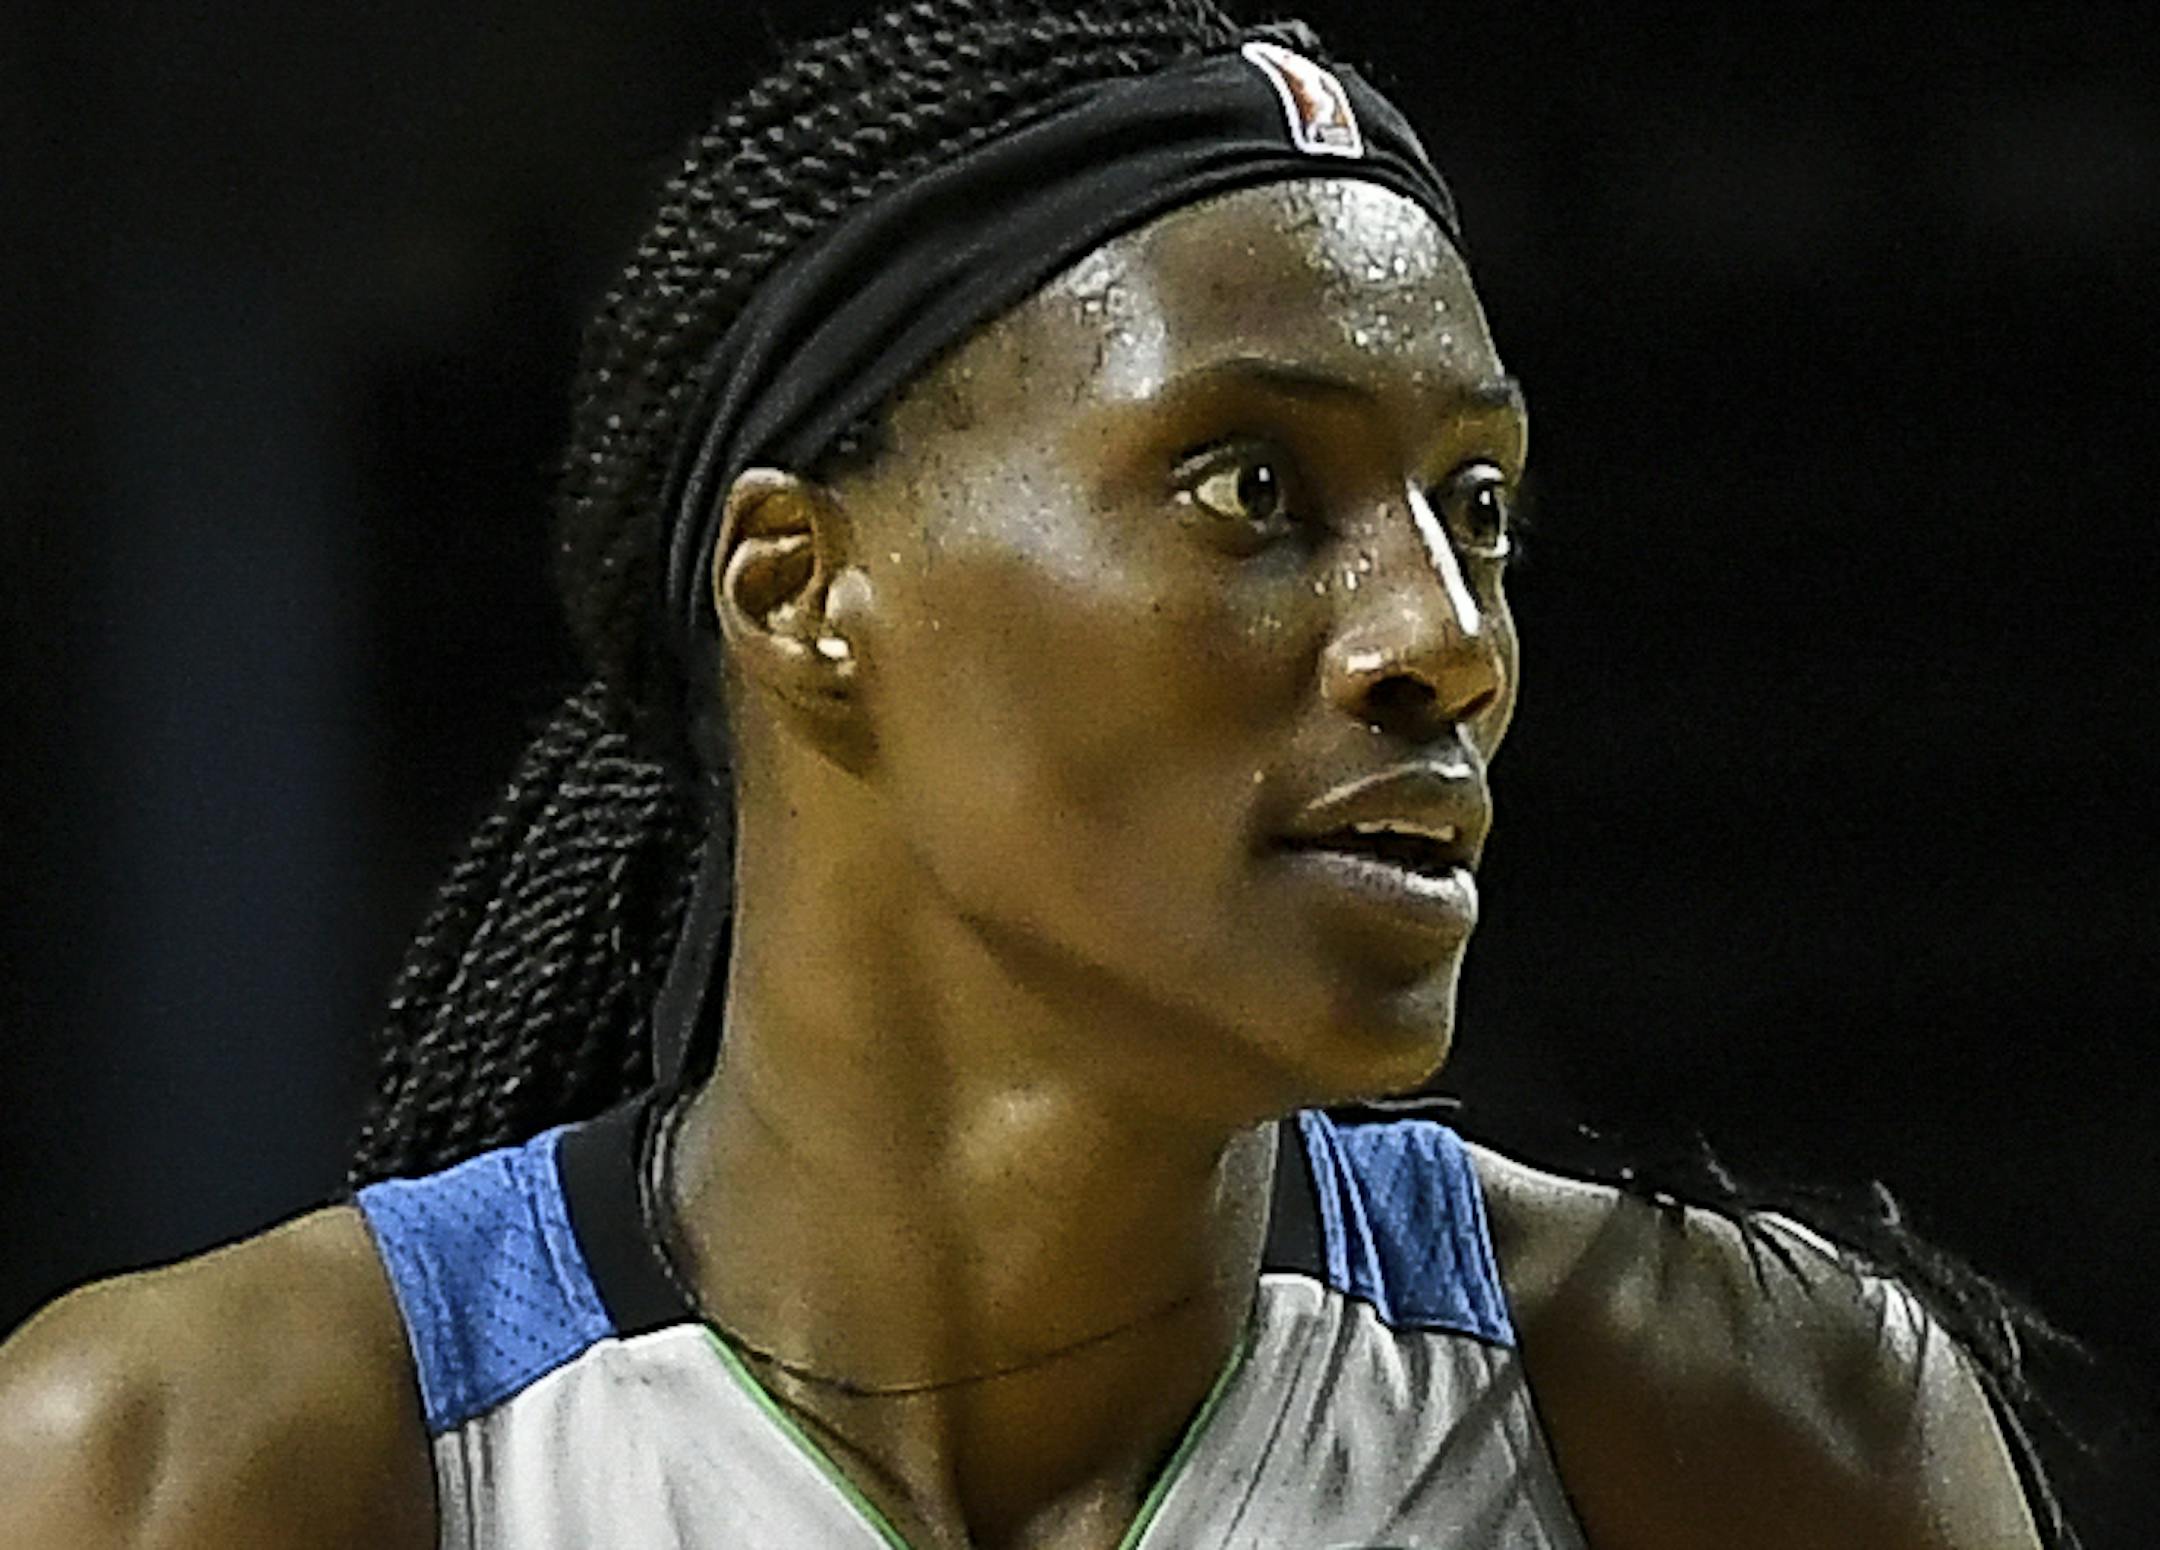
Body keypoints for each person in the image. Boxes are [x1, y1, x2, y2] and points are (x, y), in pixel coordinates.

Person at [0, 3, 2074, 1547]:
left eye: (1479, 507)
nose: (1444, 636)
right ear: (805, 590)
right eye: (1256, 485)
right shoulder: (196, 1468)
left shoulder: (1754, 1436)